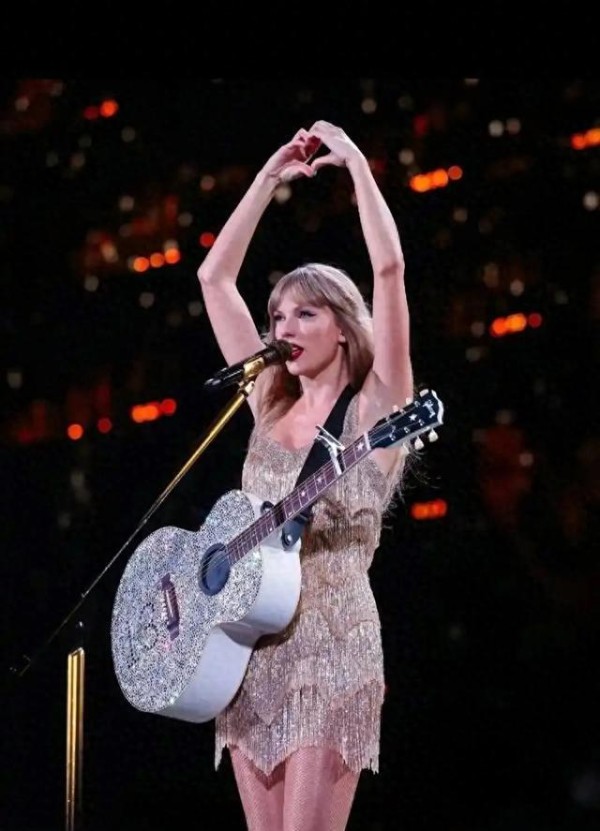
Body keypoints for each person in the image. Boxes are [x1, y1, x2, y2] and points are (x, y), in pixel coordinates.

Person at [197, 120, 414, 831]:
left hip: (333, 642)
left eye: (305, 313)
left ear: (343, 327)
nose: (283, 327)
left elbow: (389, 272)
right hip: (250, 650)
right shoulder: (267, 401)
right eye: (277, 315)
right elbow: (213, 279)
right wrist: (266, 180)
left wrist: (357, 168)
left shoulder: (375, 408)